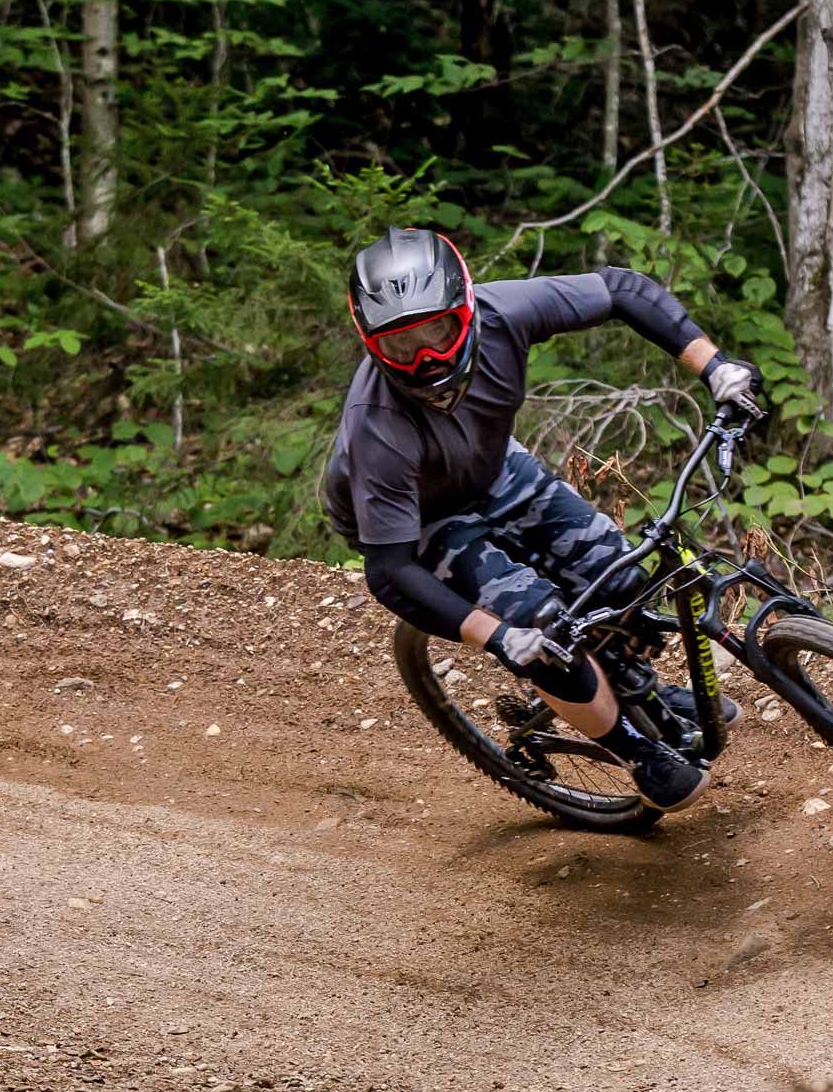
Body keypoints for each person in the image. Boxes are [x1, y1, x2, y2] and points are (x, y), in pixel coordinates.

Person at [320, 227, 763, 813]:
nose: (426, 358)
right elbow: (390, 571)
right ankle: (636, 752)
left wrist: (715, 368)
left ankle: (637, 685)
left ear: (467, 309)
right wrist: (499, 637)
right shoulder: (378, 427)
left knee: (621, 579)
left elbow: (621, 290)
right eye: (402, 346)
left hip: (492, 466)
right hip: (417, 522)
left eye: (438, 332)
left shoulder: (505, 312)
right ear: (371, 343)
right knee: (545, 634)